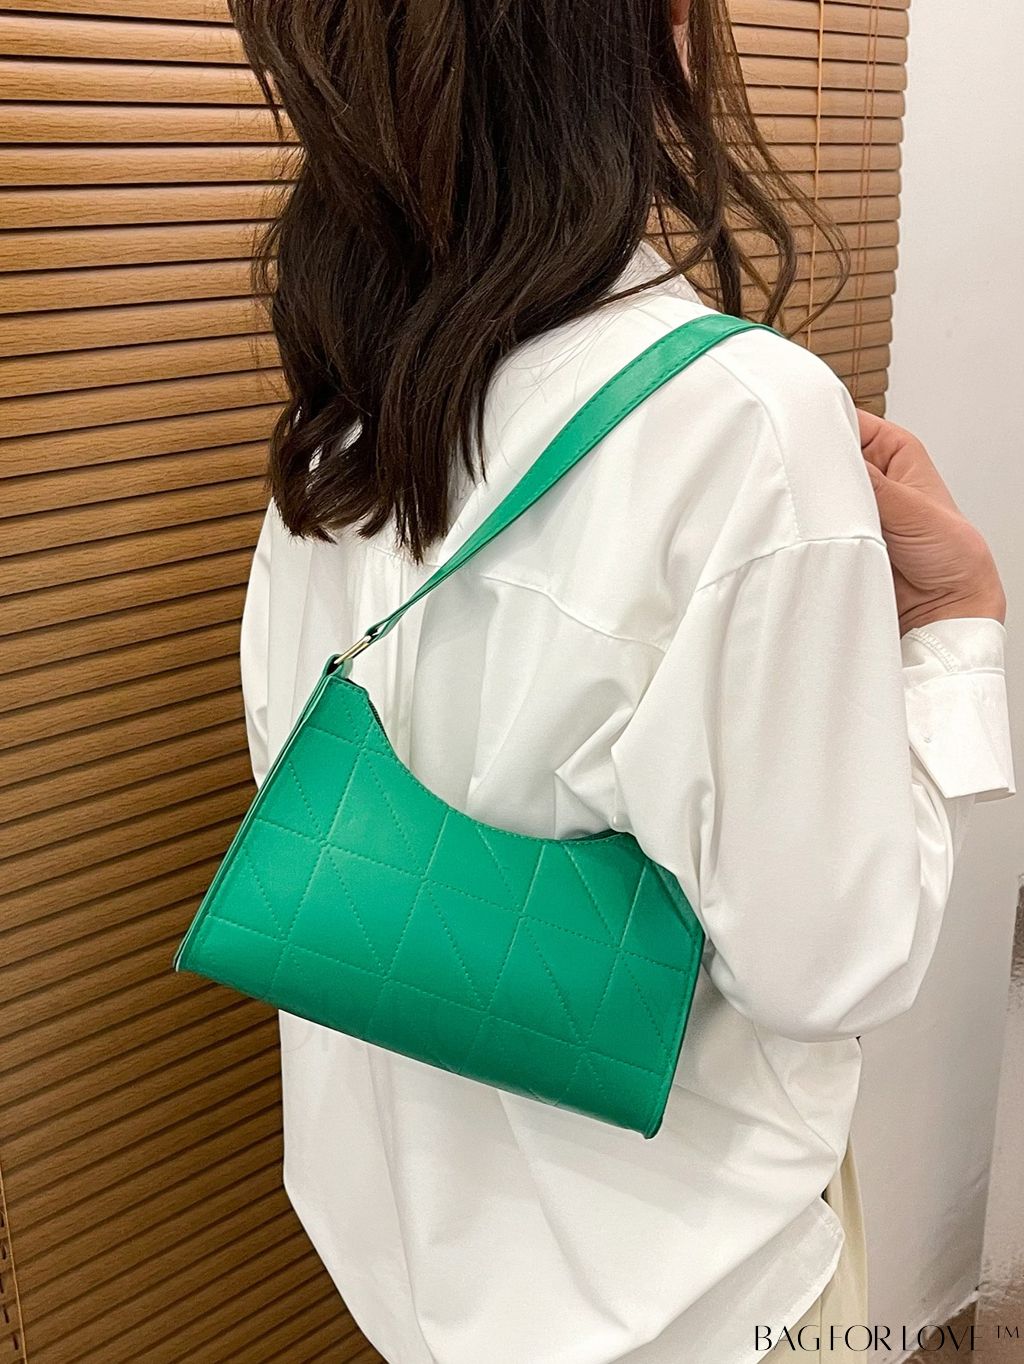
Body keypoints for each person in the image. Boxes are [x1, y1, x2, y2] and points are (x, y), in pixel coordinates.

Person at [229, 1, 1016, 1360]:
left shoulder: (346, 410)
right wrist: (955, 631)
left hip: (403, 1269)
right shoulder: (740, 423)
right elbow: (835, 966)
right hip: (686, 1299)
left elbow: (289, 769)